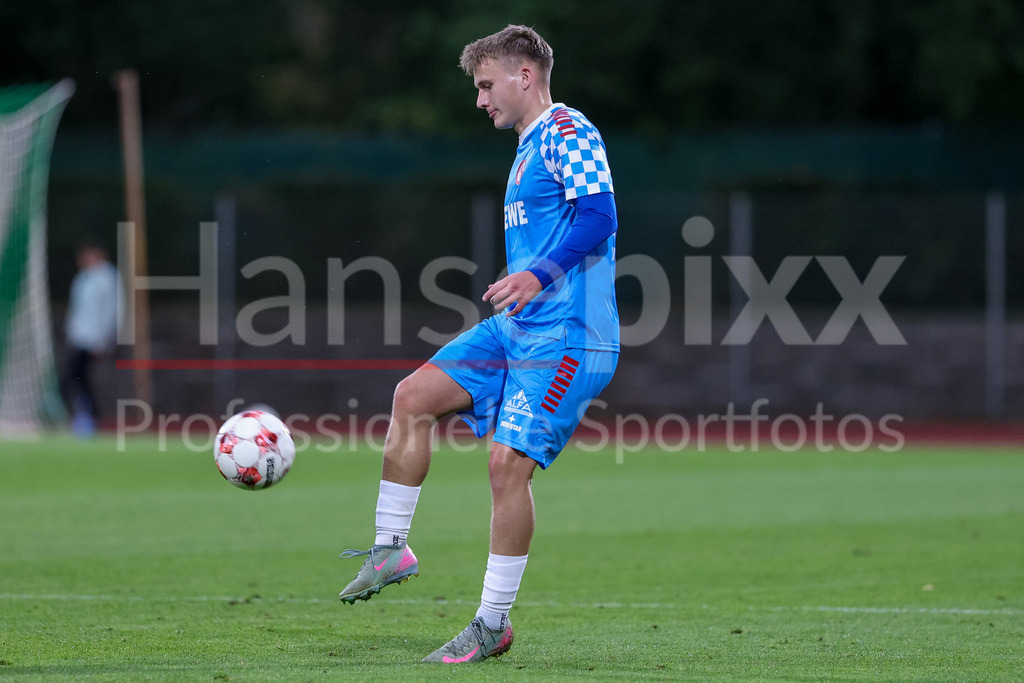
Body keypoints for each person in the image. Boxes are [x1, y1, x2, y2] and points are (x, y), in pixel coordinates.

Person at [338, 24, 620, 663]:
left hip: (571, 336)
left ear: (526, 76)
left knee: (504, 466)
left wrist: (537, 274)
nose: (480, 99)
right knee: (413, 396)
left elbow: (600, 214)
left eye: (487, 85)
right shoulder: (526, 147)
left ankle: (492, 623)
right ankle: (389, 549)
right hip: (519, 327)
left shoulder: (568, 130)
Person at [61, 241, 120, 436]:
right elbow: (77, 310)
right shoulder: (82, 278)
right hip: (78, 338)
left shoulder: (108, 277)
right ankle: (88, 416)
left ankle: (89, 418)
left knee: (77, 377)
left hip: (94, 339)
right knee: (76, 378)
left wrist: (105, 341)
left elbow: (113, 311)